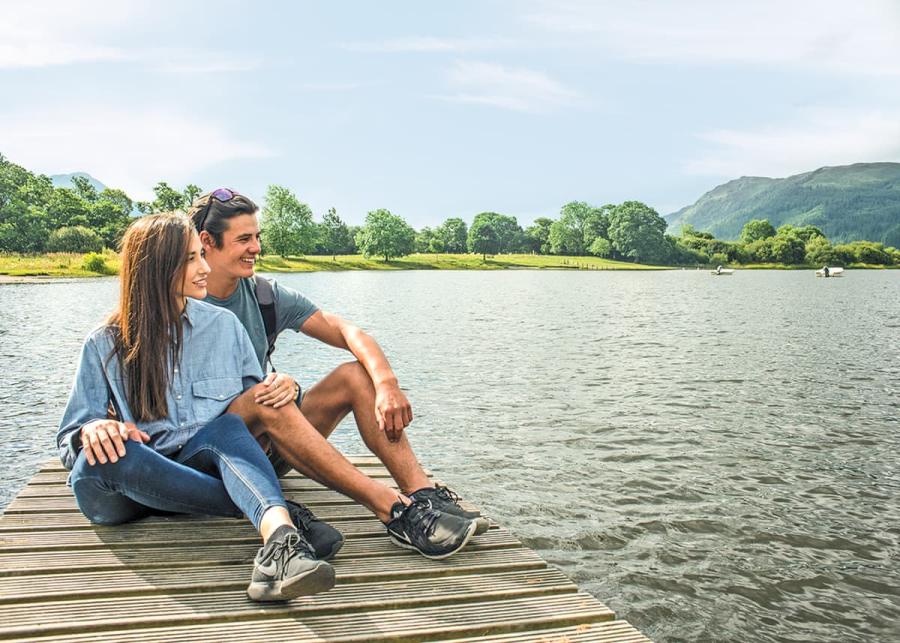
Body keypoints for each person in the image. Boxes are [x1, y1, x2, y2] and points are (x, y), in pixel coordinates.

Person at [188, 189, 486, 560]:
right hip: (214, 457)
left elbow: (348, 331)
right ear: (207, 242)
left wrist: (387, 384)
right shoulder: (179, 300)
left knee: (355, 376)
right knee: (266, 397)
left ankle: (422, 496)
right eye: (244, 239)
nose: (256, 248)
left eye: (257, 237)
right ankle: (392, 510)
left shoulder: (264, 294)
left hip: (274, 441)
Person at [57, 212, 335, 601]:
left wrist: (286, 385)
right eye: (191, 258)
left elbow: (259, 412)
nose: (205, 268)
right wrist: (92, 429)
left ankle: (281, 540)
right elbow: (69, 437)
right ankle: (277, 510)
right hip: (128, 489)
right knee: (101, 459)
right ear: (157, 267)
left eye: (201, 255)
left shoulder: (224, 327)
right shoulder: (104, 343)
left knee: (227, 429)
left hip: (196, 465)